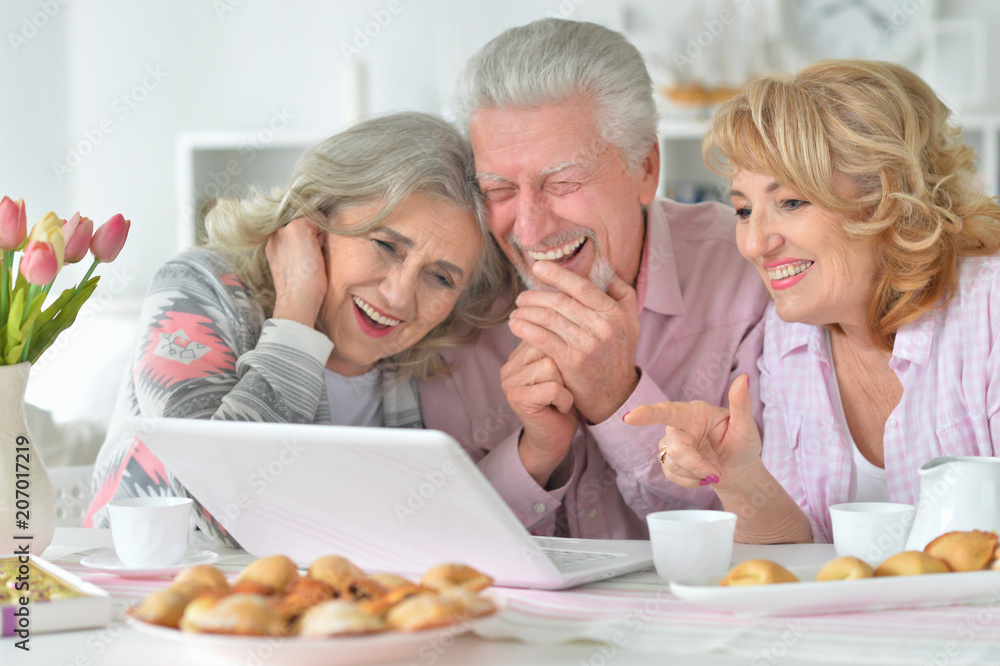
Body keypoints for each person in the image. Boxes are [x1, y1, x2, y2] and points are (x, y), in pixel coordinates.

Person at [85, 112, 518, 544]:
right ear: (317, 218)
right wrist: (295, 310)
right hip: (137, 596)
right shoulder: (197, 287)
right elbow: (220, 511)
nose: (400, 296)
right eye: (386, 246)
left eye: (440, 278)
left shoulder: (419, 362)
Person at [418, 19, 770, 539]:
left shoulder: (747, 270)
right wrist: (534, 453)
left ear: (646, 168)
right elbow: (444, 541)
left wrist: (615, 399)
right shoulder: (454, 300)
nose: (530, 228)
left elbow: (763, 521)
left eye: (563, 182)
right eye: (498, 189)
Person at [626, 59, 1000, 544]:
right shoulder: (790, 338)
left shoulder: (988, 309)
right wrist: (740, 479)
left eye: (791, 202)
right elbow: (804, 556)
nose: (755, 244)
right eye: (743, 210)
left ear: (889, 200)